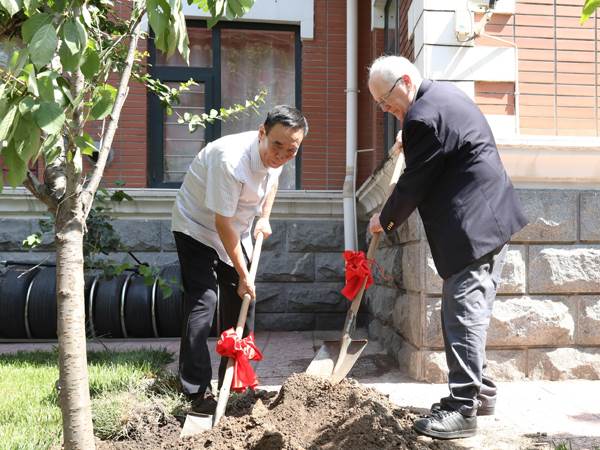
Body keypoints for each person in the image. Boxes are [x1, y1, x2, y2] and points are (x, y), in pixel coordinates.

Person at [367, 56, 528, 440]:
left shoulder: (423, 116)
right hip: (488, 221)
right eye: (379, 105)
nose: (385, 109)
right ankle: (481, 393)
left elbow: (413, 183)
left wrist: (384, 219)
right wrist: (409, 136)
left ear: (405, 81)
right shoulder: (440, 98)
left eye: (385, 100)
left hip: (474, 227)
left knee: (462, 314)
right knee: (469, 311)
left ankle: (462, 408)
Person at [171, 105, 308, 413]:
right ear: (262, 133)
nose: (283, 154)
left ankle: (234, 382)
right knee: (203, 300)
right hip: (196, 227)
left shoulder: (282, 151)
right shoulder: (230, 160)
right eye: (277, 146)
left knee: (243, 301)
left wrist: (264, 217)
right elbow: (223, 223)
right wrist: (244, 273)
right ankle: (195, 387)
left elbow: (272, 180)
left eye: (291, 150)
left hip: (237, 229)